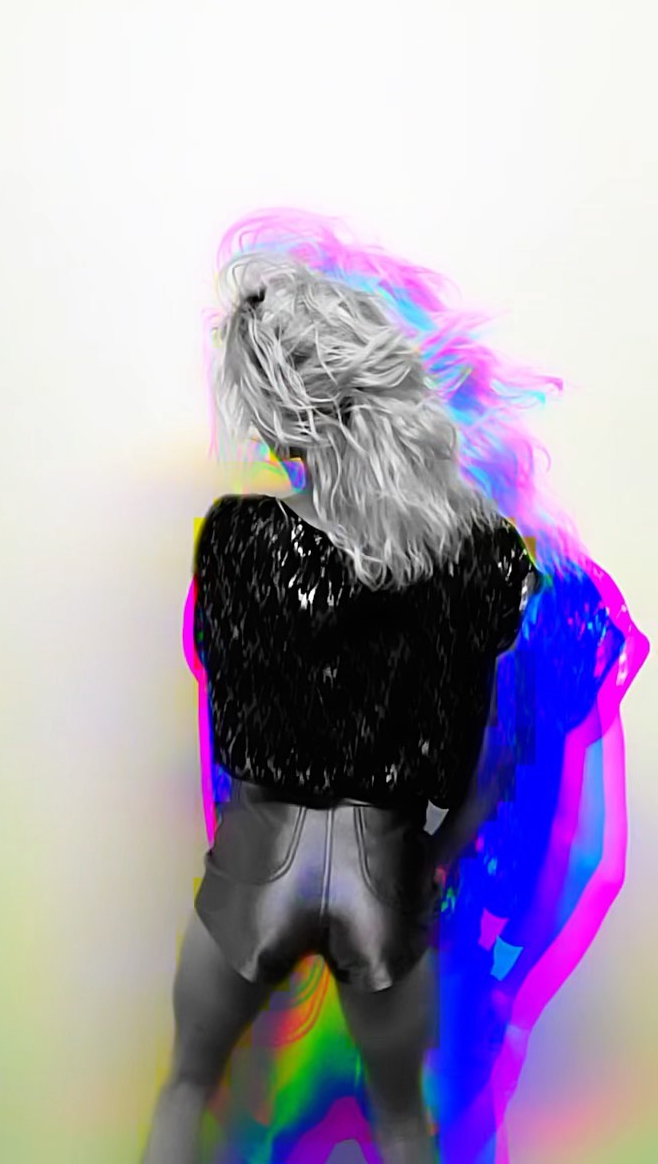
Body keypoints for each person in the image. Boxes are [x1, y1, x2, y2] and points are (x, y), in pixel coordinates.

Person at [140, 253, 541, 1164]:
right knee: (401, 1120)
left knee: (189, 1084)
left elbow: (223, 707)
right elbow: (488, 739)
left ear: (283, 418)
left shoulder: (238, 539)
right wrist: (433, 857)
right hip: (386, 861)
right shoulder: (473, 549)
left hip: (257, 848)